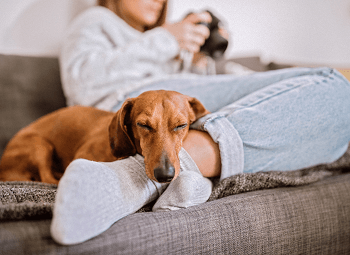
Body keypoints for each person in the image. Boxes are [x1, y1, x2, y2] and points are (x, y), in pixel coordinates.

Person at [52, 0, 350, 245]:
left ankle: (170, 170)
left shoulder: (163, 37)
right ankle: (142, 177)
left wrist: (198, 60)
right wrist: (167, 39)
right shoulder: (96, 21)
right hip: (132, 103)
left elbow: (202, 114)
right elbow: (83, 86)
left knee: (338, 98)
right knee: (334, 85)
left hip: (179, 105)